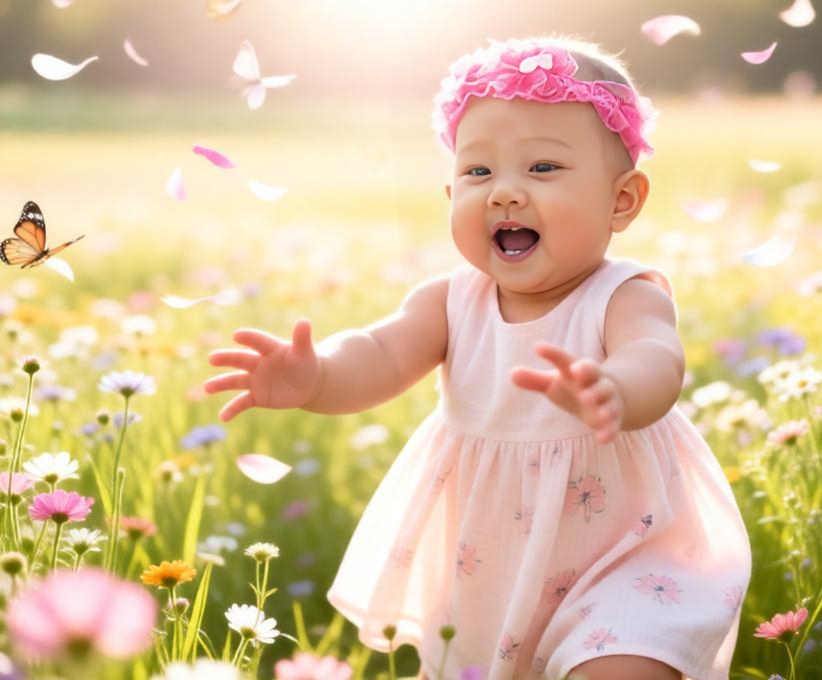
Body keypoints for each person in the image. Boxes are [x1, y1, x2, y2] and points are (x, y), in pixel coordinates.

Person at [205, 36, 751, 680]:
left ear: (622, 200)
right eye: (478, 172)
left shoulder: (621, 296)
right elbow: (378, 354)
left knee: (622, 661)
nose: (504, 193)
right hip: (494, 557)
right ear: (450, 194)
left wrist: (614, 389)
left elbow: (657, 359)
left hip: (628, 550)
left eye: (543, 168)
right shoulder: (448, 301)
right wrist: (317, 375)